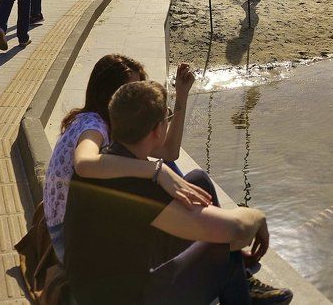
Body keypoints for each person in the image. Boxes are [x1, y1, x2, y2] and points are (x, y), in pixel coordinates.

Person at [63, 80, 292, 304]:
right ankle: (237, 283)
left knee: (198, 181)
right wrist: (257, 215)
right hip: (127, 298)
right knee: (219, 246)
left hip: (95, 286)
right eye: (167, 118)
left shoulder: (103, 163)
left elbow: (168, 157)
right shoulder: (140, 185)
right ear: (157, 131)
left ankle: (236, 274)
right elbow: (237, 229)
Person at [43, 55, 211, 263]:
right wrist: (155, 170)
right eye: (130, 91)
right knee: (189, 182)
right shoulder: (93, 126)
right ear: (109, 94)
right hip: (71, 240)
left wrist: (182, 96)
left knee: (181, 174)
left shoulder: (116, 124)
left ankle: (219, 247)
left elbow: (168, 152)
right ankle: (221, 251)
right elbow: (84, 164)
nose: (138, 97)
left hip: (81, 231)